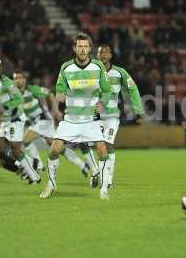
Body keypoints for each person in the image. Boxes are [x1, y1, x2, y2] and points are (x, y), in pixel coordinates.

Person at [39, 33, 113, 200]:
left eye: (85, 46)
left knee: (102, 150)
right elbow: (59, 89)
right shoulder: (66, 67)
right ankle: (51, 184)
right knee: (54, 150)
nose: (82, 49)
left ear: (90, 48)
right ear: (74, 48)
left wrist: (102, 103)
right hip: (70, 119)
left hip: (90, 120)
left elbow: (107, 91)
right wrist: (60, 96)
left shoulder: (98, 67)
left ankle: (104, 189)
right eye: (79, 46)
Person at [13, 70, 90, 176]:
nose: (18, 80)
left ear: (25, 80)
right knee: (57, 147)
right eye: (15, 78)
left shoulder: (32, 90)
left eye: (20, 78)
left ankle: (38, 164)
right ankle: (82, 165)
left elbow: (50, 93)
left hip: (43, 119)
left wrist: (56, 110)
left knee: (26, 140)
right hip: (36, 122)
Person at [96, 44, 144, 188]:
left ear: (110, 55)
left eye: (106, 52)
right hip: (95, 116)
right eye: (100, 53)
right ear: (96, 56)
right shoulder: (92, 72)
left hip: (112, 116)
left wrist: (139, 112)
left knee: (108, 144)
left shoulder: (120, 72)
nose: (103, 55)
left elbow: (133, 89)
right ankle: (97, 172)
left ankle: (108, 179)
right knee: (98, 146)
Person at [0, 56, 41, 184]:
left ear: (0, 68)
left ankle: (33, 175)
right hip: (5, 120)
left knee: (15, 149)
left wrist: (6, 108)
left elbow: (19, 99)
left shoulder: (8, 83)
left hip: (15, 118)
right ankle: (31, 164)